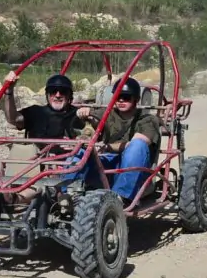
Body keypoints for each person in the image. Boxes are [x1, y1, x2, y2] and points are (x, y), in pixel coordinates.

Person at [69, 76, 162, 204]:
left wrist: (107, 147)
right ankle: (67, 193)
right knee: (80, 151)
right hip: (107, 164)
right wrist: (86, 115)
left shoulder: (148, 119)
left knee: (136, 146)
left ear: (136, 99)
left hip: (135, 170)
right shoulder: (107, 113)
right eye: (118, 96)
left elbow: (137, 144)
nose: (121, 100)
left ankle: (120, 198)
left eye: (127, 97)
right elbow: (94, 119)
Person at [2, 71, 86, 204]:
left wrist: (77, 142)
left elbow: (92, 137)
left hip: (62, 167)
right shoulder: (36, 111)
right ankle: (5, 196)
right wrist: (9, 91)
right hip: (33, 163)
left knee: (49, 181)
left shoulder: (78, 115)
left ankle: (16, 198)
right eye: (53, 91)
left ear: (69, 96)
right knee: (20, 152)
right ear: (47, 94)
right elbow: (13, 118)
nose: (57, 95)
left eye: (62, 91)